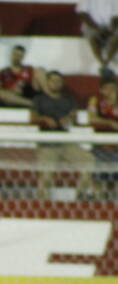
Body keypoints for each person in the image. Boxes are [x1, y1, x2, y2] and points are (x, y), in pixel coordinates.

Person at [31, 71, 94, 200]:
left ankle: (79, 197)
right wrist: (45, 119)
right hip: (47, 142)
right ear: (47, 82)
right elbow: (32, 118)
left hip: (66, 140)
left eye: (58, 81)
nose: (56, 83)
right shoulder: (39, 99)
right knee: (46, 175)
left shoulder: (68, 99)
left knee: (89, 161)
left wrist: (69, 118)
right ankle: (41, 201)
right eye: (53, 80)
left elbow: (74, 117)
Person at [87, 75, 118, 199]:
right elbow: (91, 119)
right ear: (101, 90)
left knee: (113, 181)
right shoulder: (95, 101)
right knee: (99, 178)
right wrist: (109, 123)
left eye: (113, 88)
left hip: (116, 147)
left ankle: (112, 201)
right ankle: (98, 200)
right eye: (107, 88)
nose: (110, 91)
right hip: (100, 147)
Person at [76, 0, 118, 73]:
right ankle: (102, 62)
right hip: (92, 25)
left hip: (110, 26)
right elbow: (82, 13)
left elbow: (116, 16)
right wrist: (97, 29)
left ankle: (107, 62)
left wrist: (111, 29)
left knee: (116, 38)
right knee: (93, 37)